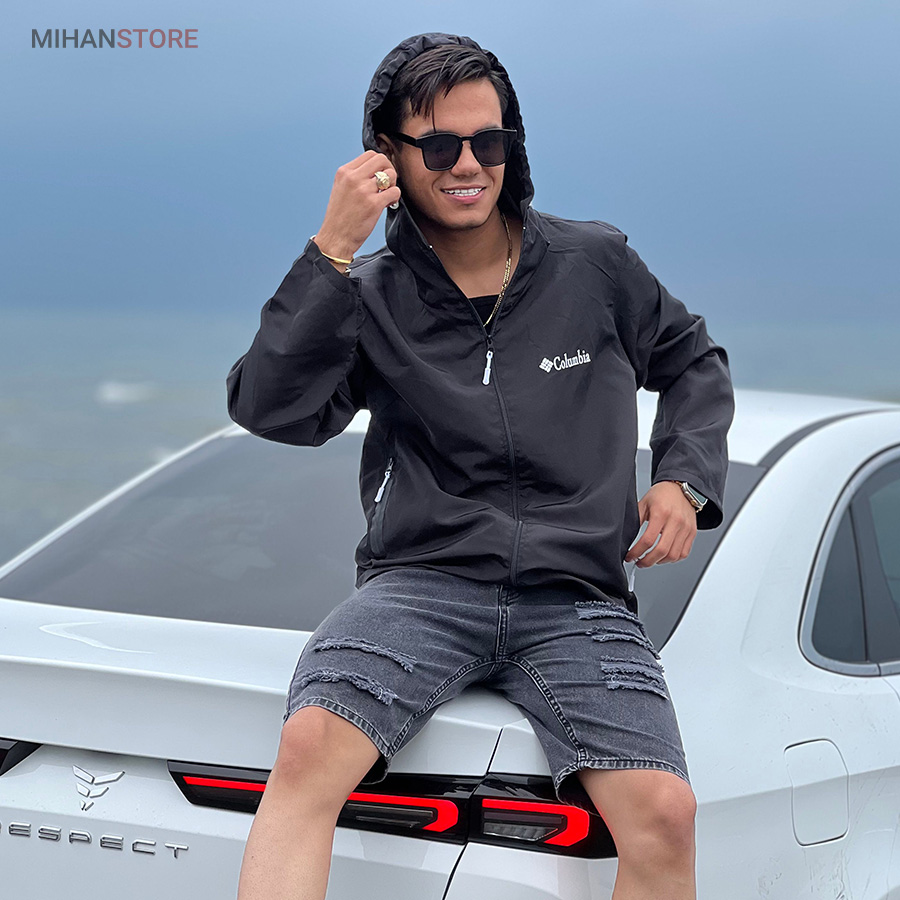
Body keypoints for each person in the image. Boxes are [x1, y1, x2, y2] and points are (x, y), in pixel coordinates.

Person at [226, 32, 734, 900]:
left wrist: (683, 479)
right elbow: (271, 409)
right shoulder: (367, 293)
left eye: (488, 141)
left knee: (665, 812)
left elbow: (693, 361)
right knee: (310, 748)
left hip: (577, 598)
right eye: (438, 146)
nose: (468, 165)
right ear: (386, 154)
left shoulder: (594, 264)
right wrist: (331, 251)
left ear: (512, 144)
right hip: (422, 585)